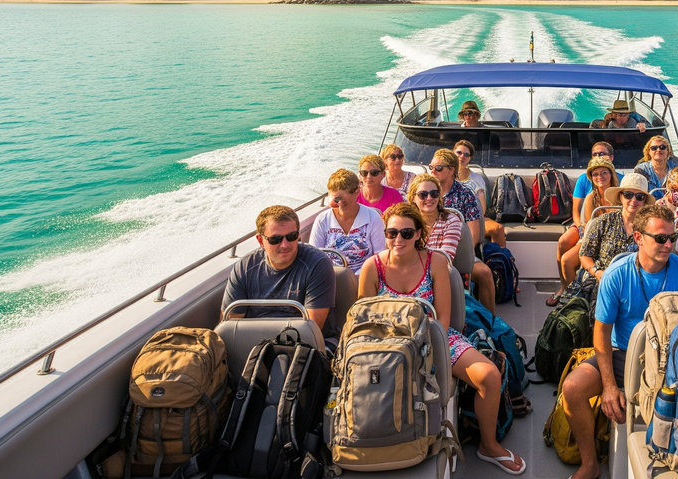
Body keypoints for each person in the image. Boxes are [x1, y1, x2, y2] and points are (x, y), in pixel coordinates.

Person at [358, 203, 525, 475]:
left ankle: (489, 444)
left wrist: (425, 352)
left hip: (436, 338)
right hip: (388, 347)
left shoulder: (435, 262)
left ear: (419, 234)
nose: (398, 239)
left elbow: (444, 319)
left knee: (489, 376)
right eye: (391, 233)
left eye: (406, 233)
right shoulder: (372, 267)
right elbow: (363, 323)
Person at [559, 204, 678, 479]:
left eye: (673, 237)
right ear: (639, 238)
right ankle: (589, 465)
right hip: (622, 353)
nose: (668, 244)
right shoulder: (617, 274)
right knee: (573, 389)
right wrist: (610, 386)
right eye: (660, 238)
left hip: (671, 360)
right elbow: (601, 332)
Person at [222, 205, 337, 340]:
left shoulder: (317, 264)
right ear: (260, 240)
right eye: (275, 239)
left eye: (292, 236)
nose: (285, 245)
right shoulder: (244, 267)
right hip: (255, 344)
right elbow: (230, 327)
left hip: (307, 345)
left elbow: (312, 330)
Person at [407, 173, 497, 313]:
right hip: (409, 275)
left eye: (434, 193)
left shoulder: (451, 220)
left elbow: (445, 258)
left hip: (442, 276)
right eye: (423, 194)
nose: (429, 198)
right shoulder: (407, 221)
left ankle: (489, 323)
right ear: (413, 197)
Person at [551, 156, 619, 305]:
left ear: (611, 174)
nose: (599, 177)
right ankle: (574, 300)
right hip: (595, 240)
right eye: (595, 174)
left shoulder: (620, 196)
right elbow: (590, 227)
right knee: (566, 260)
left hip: (617, 240)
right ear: (591, 177)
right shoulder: (590, 198)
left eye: (603, 172)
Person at [309, 168, 386, 274]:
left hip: (365, 275)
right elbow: (314, 256)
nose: (339, 204)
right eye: (335, 200)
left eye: (342, 200)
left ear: (356, 192)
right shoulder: (322, 220)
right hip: (330, 276)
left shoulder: (373, 218)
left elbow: (379, 255)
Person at [578, 174, 651, 283]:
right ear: (620, 197)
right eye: (628, 195)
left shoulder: (650, 227)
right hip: (601, 281)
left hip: (636, 283)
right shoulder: (603, 221)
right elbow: (585, 254)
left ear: (644, 201)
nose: (634, 200)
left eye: (639, 196)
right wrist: (597, 272)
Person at [454, 139, 506, 247]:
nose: (462, 156)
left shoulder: (477, 179)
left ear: (470, 158)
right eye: (459, 152)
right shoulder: (444, 175)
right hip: (450, 219)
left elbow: (481, 210)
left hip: (474, 219)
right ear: (453, 153)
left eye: (466, 154)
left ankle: (499, 260)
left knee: (498, 229)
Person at [430, 148, 483, 245]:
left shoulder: (465, 194)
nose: (433, 171)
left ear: (451, 170)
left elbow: (473, 233)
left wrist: (466, 256)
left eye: (438, 168)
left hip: (458, 249)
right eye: (431, 167)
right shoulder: (425, 193)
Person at [570, 141, 624, 230]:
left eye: (602, 154)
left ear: (611, 157)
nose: (598, 157)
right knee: (564, 241)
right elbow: (577, 213)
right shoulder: (585, 185)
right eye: (594, 154)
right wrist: (580, 228)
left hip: (616, 230)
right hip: (588, 227)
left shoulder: (623, 182)